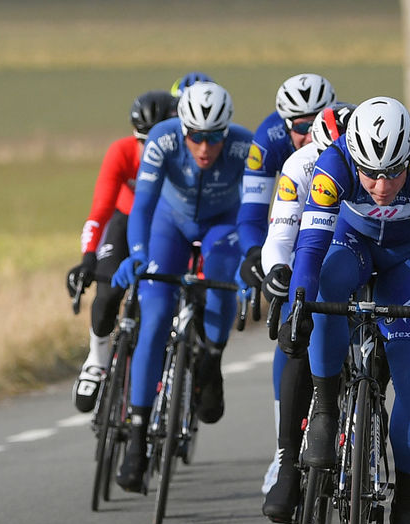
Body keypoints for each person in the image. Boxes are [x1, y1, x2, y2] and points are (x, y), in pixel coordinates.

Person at [279, 97, 410, 524]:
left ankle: (405, 507)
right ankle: (325, 408)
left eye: (393, 173)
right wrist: (298, 306)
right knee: (325, 285)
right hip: (351, 245)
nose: (380, 186)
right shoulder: (333, 164)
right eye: (369, 174)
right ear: (352, 157)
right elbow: (310, 246)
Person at [110, 82, 254, 493]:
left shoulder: (245, 146)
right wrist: (137, 254)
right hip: (169, 225)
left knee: (223, 275)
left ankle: (212, 359)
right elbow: (143, 205)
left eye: (214, 137)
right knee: (155, 317)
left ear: (227, 131)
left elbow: (257, 210)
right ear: (182, 128)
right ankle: (137, 437)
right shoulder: (163, 138)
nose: (205, 148)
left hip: (222, 224)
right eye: (196, 137)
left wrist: (252, 263)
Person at [233, 73, 336, 497]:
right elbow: (253, 214)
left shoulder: (343, 131)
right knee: (291, 335)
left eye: (315, 121)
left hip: (337, 233)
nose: (309, 133)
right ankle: (283, 453)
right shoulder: (269, 140)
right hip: (290, 229)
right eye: (300, 125)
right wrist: (255, 258)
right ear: (284, 123)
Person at [259, 101, 355, 523]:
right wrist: (277, 270)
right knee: (298, 335)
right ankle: (285, 461)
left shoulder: (372, 170)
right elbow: (281, 235)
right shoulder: (299, 165)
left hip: (364, 253)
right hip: (313, 252)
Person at [67, 90, 179, 412]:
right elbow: (100, 210)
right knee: (107, 294)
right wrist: (88, 258)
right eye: (142, 141)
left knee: (160, 301)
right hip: (124, 222)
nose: (148, 150)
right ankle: (97, 357)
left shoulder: (181, 157)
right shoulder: (121, 151)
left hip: (164, 226)